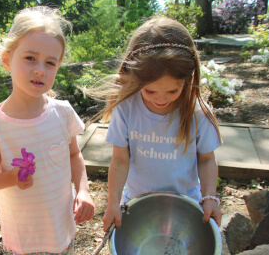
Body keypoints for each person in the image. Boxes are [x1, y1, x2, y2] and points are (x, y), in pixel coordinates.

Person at [0, 6, 94, 254]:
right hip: (24, 239)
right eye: (30, 58)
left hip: (62, 231)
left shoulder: (63, 113)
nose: (40, 69)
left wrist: (83, 190)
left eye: (50, 63)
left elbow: (73, 155)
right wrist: (10, 178)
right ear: (7, 59)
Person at [84, 17, 223, 231]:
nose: (161, 99)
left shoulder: (197, 112)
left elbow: (206, 160)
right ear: (135, 77)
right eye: (150, 91)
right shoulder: (126, 108)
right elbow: (120, 160)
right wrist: (113, 203)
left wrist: (210, 197)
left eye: (172, 91)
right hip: (137, 206)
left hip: (187, 208)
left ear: (188, 78)